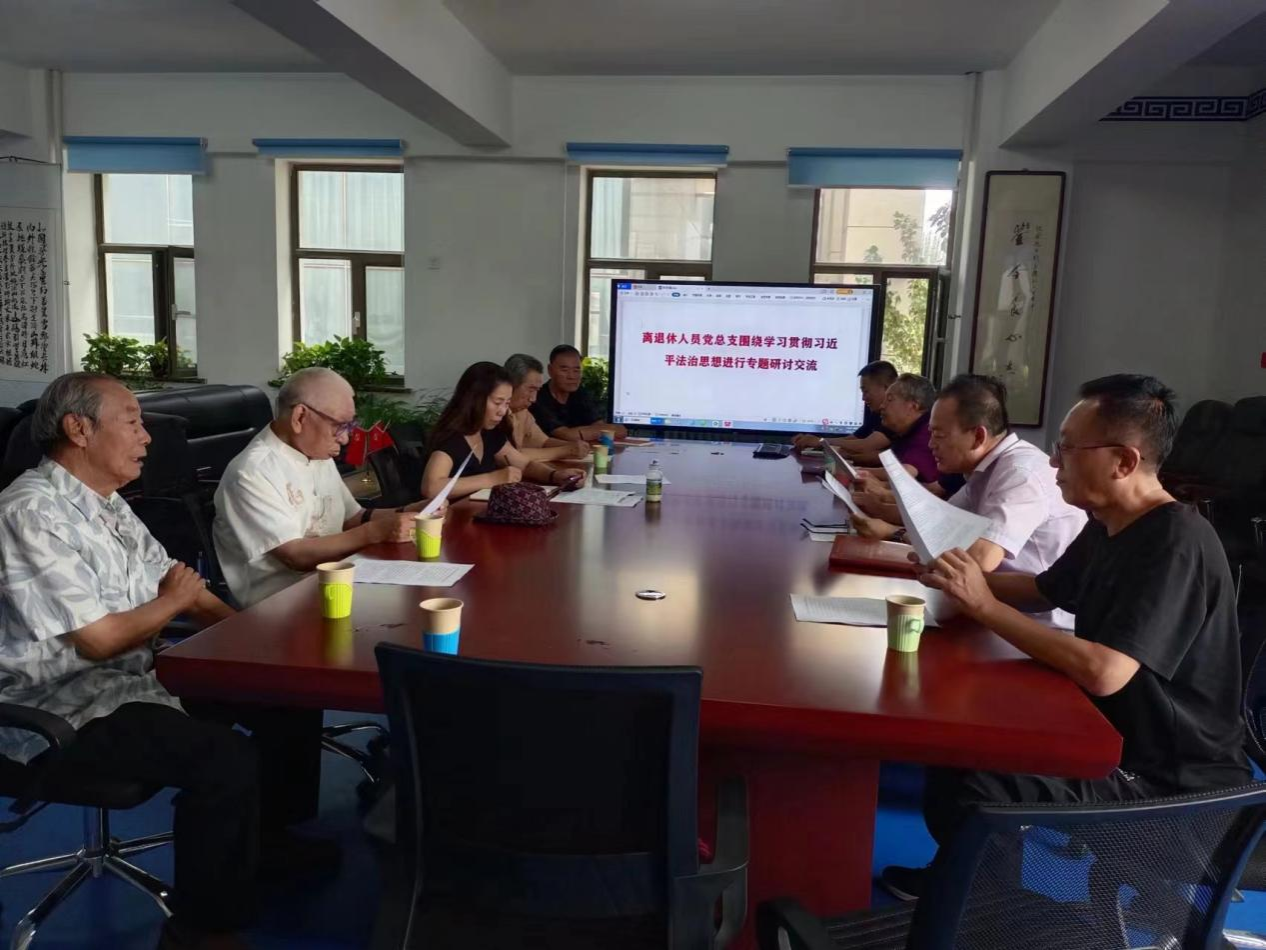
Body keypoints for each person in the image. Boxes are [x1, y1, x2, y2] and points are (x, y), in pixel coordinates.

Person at [880, 374, 1252, 902]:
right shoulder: (1108, 523)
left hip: (1172, 785)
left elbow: (1105, 671)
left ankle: (988, 912)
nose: (1054, 462)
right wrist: (960, 577)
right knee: (962, 740)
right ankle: (969, 888)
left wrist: (983, 605)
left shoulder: (1174, 543)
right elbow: (1042, 590)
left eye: (1068, 449)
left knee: (982, 786)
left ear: (1123, 461)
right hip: (1115, 738)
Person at [0, 372, 259, 949]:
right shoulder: (29, 512)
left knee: (275, 697)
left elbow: (182, 586)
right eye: (133, 422)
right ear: (79, 429)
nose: (146, 437)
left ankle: (272, 849)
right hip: (59, 708)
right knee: (224, 760)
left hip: (127, 681)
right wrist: (172, 603)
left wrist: (254, 637)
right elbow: (98, 640)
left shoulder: (107, 504)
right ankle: (198, 932)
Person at [852, 375, 1085, 628]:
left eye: (939, 435)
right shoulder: (983, 471)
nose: (930, 445)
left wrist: (894, 534)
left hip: (1035, 626)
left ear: (978, 437)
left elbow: (979, 559)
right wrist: (881, 512)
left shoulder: (1020, 473)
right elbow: (937, 522)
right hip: (988, 610)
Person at [214, 367, 431, 608]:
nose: (345, 438)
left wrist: (412, 512)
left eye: (350, 426)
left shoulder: (316, 452)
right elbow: (295, 556)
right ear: (300, 417)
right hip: (282, 605)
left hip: (338, 582)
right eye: (339, 426)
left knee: (420, 597)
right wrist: (374, 532)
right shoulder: (251, 472)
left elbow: (353, 518)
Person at [423, 362, 587, 501]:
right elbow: (431, 487)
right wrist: (492, 479)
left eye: (507, 403)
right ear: (474, 399)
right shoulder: (452, 437)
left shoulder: (489, 433)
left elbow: (524, 464)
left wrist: (555, 476)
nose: (502, 411)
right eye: (497, 402)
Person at [793, 360, 897, 464]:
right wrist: (815, 442)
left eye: (866, 391)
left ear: (887, 388)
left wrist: (821, 442)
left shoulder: (895, 416)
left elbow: (865, 446)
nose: (863, 398)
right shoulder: (876, 414)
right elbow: (852, 439)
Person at [530, 344, 627, 442]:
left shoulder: (580, 393)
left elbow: (616, 430)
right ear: (550, 370)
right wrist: (599, 430)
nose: (571, 376)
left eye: (576, 370)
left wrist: (587, 432)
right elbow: (566, 435)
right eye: (565, 370)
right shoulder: (538, 398)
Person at [504, 353, 589, 462]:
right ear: (511, 385)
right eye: (530, 389)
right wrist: (565, 451)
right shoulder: (496, 414)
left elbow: (543, 442)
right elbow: (511, 455)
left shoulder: (522, 412)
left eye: (537, 390)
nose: (533, 399)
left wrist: (574, 446)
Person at [858, 372, 938, 484]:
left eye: (890, 400)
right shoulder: (906, 432)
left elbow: (904, 473)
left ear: (914, 406)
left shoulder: (927, 431)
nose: (882, 406)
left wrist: (856, 472)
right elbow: (888, 460)